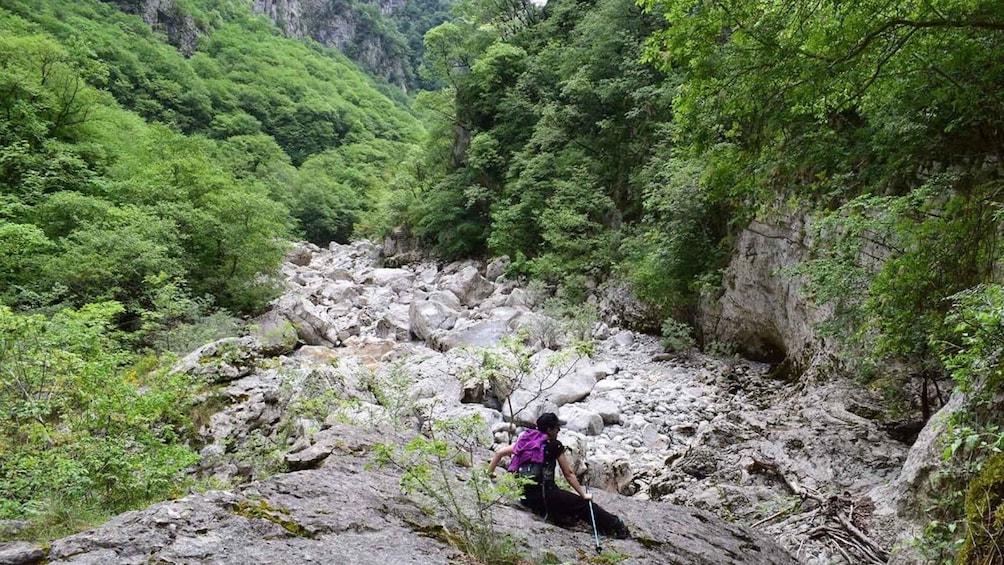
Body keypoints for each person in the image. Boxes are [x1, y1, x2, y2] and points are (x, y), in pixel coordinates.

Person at [487, 412, 629, 539]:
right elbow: (568, 474)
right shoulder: (554, 445)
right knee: (583, 505)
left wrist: (490, 473)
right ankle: (616, 525)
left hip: (525, 497)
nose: (559, 430)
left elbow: (499, 453)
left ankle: (562, 517)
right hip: (547, 494)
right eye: (556, 427)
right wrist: (583, 495)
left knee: (567, 509)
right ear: (549, 430)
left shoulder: (527, 441)